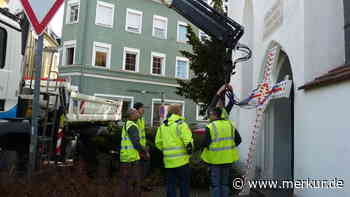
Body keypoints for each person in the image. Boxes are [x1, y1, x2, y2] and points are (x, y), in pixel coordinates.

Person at [200, 107, 242, 197]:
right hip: (227, 159)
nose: (209, 116)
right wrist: (229, 148)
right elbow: (238, 140)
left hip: (215, 160)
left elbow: (203, 143)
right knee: (224, 183)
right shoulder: (229, 125)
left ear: (215, 115)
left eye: (210, 114)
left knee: (216, 185)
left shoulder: (210, 127)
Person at [155, 104, 194, 197]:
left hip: (168, 162)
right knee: (184, 185)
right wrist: (190, 154)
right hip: (182, 162)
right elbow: (188, 143)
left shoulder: (163, 126)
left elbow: (158, 143)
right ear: (178, 112)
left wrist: (166, 151)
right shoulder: (181, 124)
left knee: (170, 185)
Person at [119, 108, 150, 197]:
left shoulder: (127, 125)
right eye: (136, 112)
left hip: (125, 157)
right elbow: (136, 143)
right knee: (135, 182)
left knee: (125, 182)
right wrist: (145, 151)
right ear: (131, 115)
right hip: (132, 159)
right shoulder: (132, 126)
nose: (138, 114)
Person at [134, 102, 152, 191]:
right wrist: (142, 149)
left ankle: (140, 184)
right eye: (142, 108)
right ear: (137, 109)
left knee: (143, 167)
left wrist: (145, 146)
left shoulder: (141, 119)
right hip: (138, 148)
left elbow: (142, 134)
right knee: (143, 167)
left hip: (142, 147)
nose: (143, 109)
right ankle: (139, 185)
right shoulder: (136, 120)